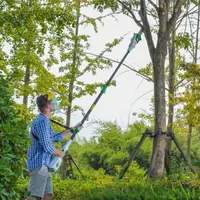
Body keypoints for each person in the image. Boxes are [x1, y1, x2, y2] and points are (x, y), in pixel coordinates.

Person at [26, 93, 82, 200]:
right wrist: (60, 153)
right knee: (34, 196)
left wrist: (72, 130)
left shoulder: (45, 121)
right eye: (52, 101)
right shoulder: (42, 121)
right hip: (39, 165)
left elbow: (54, 137)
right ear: (47, 105)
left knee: (48, 196)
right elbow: (47, 145)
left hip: (45, 166)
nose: (55, 103)